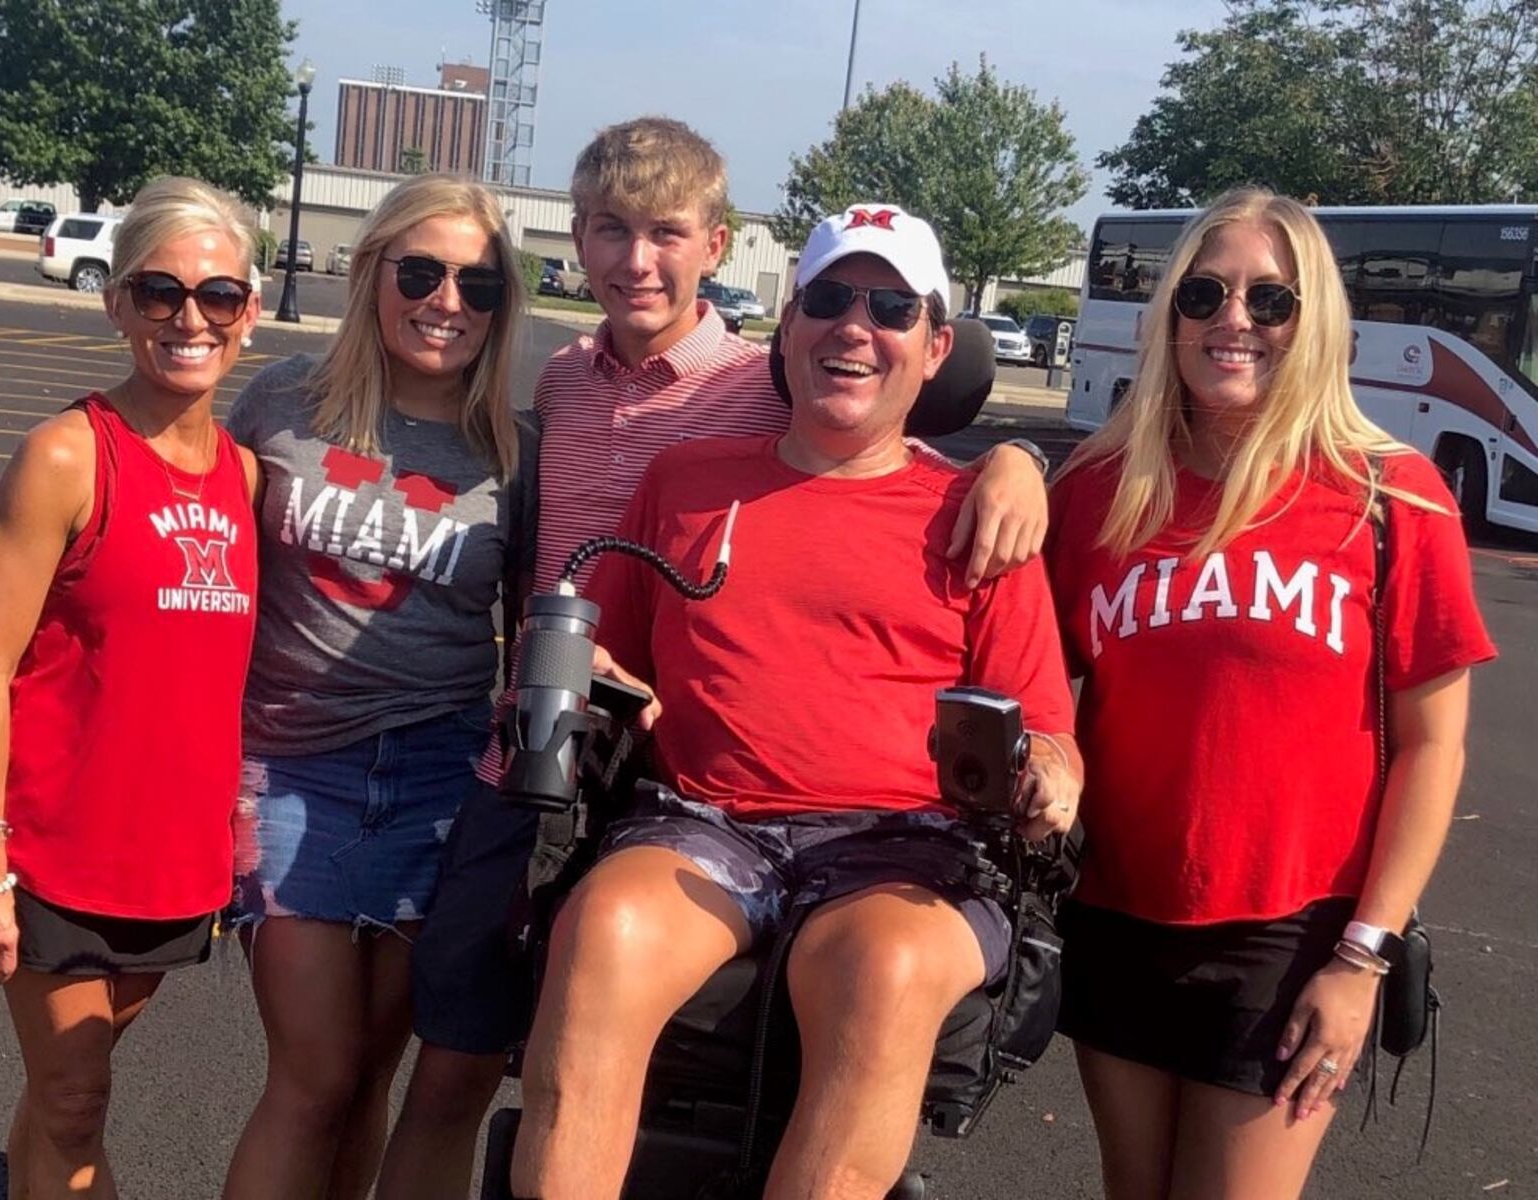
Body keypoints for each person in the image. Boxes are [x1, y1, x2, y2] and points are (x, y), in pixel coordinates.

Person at [378, 118, 1056, 1200]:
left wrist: (1017, 460)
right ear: (788, 327)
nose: (854, 327)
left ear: (935, 346)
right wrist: (605, 690)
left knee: (882, 968)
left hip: (895, 839)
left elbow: (1047, 728)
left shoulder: (971, 509)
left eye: (891, 308)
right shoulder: (651, 444)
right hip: (692, 812)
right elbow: (616, 644)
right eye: (831, 300)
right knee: (596, 937)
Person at [1043, 187, 1497, 1200]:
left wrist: (1361, 959)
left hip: (1294, 936)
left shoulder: (1391, 497)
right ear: (1170, 318)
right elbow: (1028, 676)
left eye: (1269, 299)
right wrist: (996, 473)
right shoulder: (1099, 487)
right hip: (1116, 913)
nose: (1231, 320)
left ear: (1315, 320)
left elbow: (1433, 748)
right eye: (1202, 294)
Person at [216, 173, 538, 1200]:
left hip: (440, 782)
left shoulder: (510, 454)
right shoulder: (282, 401)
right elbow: (182, 516)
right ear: (372, 273)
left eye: (477, 285)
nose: (447, 301)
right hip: (291, 771)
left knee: (370, 1080)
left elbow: (533, 624)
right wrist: (49, 517)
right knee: (311, 1078)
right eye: (422, 271)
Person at [0, 176, 261, 1199]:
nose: (189, 317)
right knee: (76, 1098)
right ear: (117, 301)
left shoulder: (249, 478)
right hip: (50, 852)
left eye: (217, 294)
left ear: (249, 313)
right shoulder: (67, 454)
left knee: (62, 1092)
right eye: (159, 289)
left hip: (173, 857)